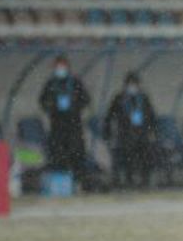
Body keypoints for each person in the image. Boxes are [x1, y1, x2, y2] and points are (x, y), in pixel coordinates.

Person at [38, 55, 91, 183]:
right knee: (58, 154)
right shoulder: (51, 83)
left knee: (76, 152)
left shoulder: (75, 82)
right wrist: (52, 107)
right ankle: (61, 182)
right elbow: (42, 101)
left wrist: (75, 107)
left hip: (74, 124)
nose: (60, 69)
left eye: (63, 66)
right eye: (58, 66)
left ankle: (79, 181)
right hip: (57, 125)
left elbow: (85, 99)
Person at [103, 71, 157, 188]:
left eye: (135, 83)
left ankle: (144, 179)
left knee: (146, 153)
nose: (133, 86)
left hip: (142, 133)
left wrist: (152, 130)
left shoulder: (143, 98)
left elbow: (151, 115)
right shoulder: (119, 98)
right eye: (130, 83)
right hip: (125, 133)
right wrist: (107, 133)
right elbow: (110, 116)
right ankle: (129, 179)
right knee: (128, 154)